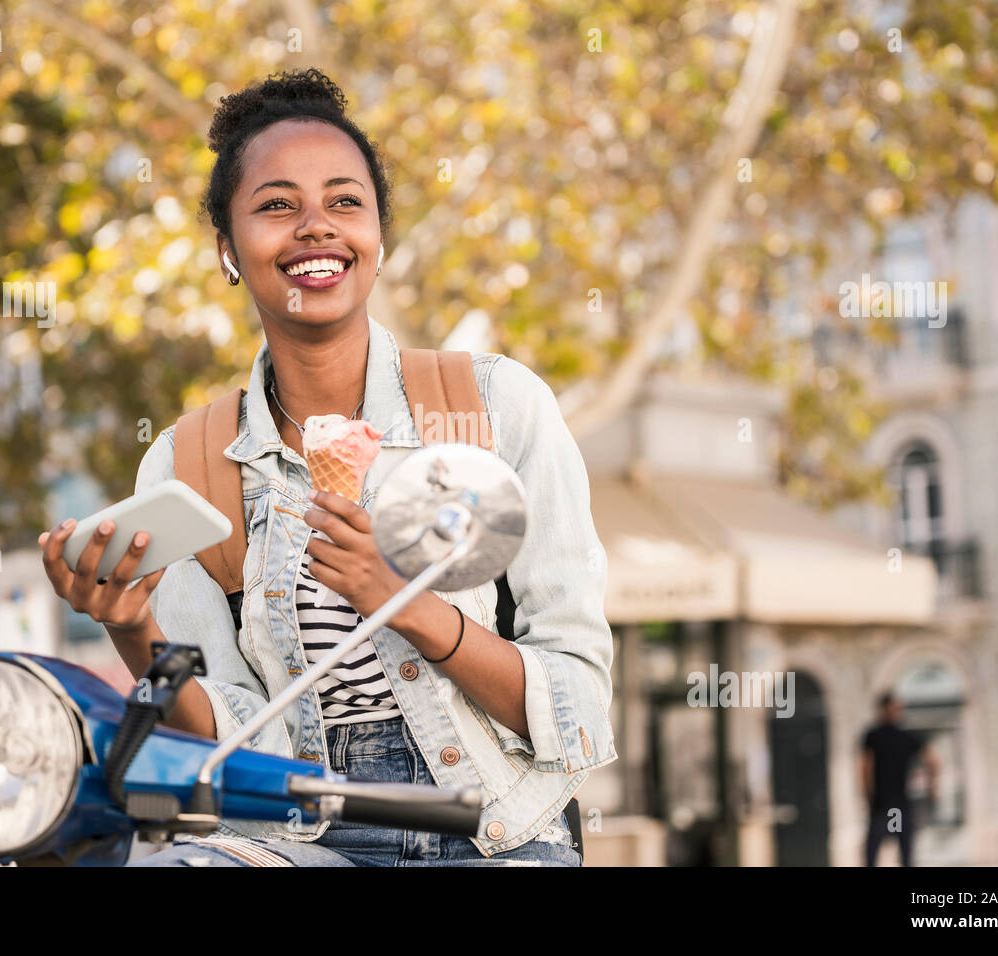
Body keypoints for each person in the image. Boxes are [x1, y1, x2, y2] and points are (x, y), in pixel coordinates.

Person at [38, 68, 617, 866]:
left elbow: (578, 696)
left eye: (345, 202)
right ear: (228, 250)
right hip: (294, 834)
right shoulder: (188, 464)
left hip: (497, 828)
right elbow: (227, 743)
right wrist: (131, 627)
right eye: (277, 205)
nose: (316, 226)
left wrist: (409, 605)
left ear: (379, 239)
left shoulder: (493, 407)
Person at [859, 692, 939, 866]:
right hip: (896, 805)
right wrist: (931, 787)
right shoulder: (903, 736)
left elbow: (865, 770)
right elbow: (933, 762)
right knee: (904, 855)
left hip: (884, 805)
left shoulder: (874, 736)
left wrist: (867, 797)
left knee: (873, 855)